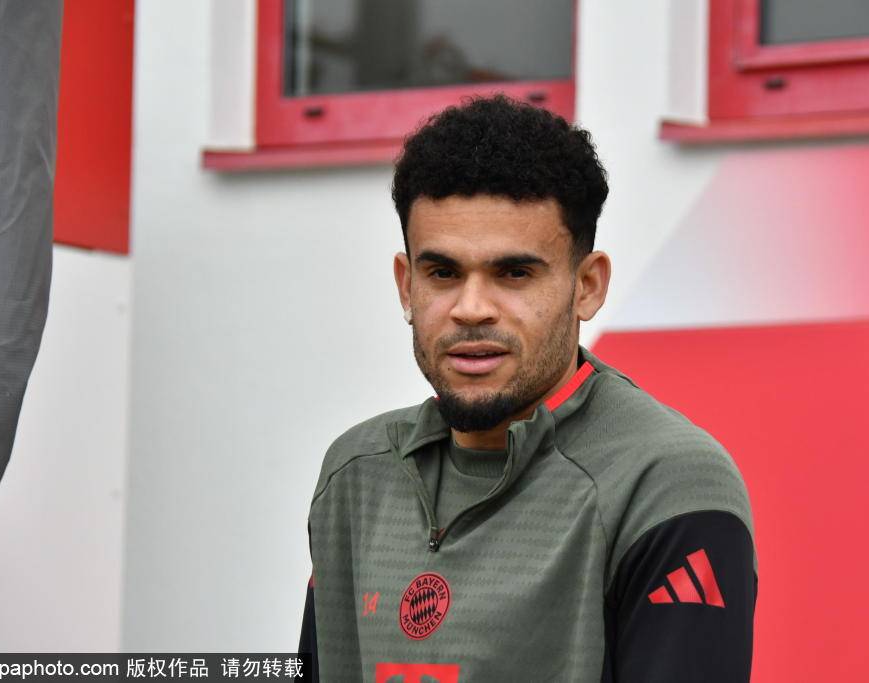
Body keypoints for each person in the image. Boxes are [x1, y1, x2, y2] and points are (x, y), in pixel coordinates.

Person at [298, 95, 756, 682]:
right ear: (406, 285)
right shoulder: (355, 473)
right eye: (443, 273)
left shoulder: (665, 481)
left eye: (514, 273)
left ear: (587, 286)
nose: (471, 309)